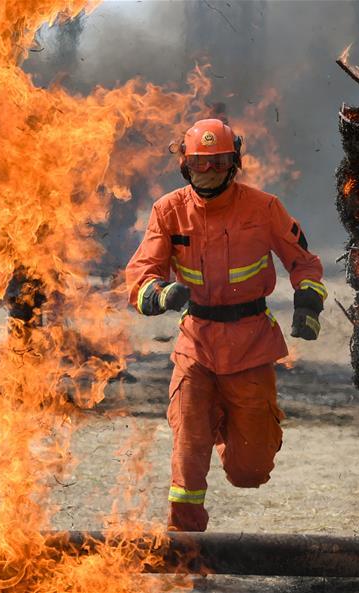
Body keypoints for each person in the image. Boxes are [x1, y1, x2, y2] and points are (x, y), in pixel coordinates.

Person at [125, 118, 326, 531]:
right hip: (196, 346)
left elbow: (303, 262)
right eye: (201, 164)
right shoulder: (169, 211)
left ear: (233, 164)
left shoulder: (263, 207)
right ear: (185, 166)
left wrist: (308, 303)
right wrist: (162, 295)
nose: (209, 172)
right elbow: (141, 275)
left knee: (249, 472)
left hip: (251, 344)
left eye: (219, 163)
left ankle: (222, 427)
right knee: (187, 447)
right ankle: (184, 543)